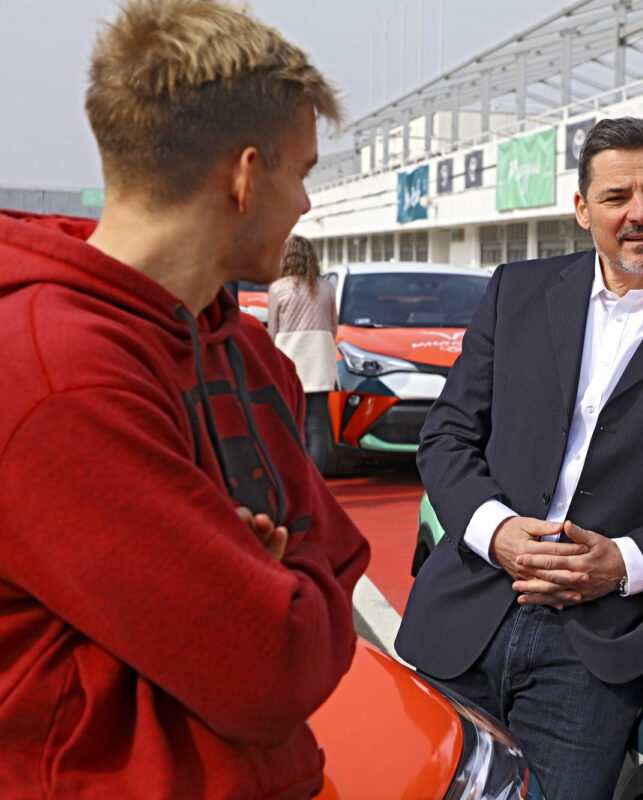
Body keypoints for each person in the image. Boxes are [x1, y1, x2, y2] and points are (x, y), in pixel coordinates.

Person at [0, 2, 370, 798]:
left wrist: (265, 582)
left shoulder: (248, 350)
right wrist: (269, 583)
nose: (306, 203)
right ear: (245, 176)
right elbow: (269, 668)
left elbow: (342, 562)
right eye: (303, 171)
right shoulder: (55, 374)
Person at [396, 117, 643, 799]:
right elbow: (448, 433)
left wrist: (623, 565)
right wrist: (497, 532)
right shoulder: (516, 292)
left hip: (596, 650)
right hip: (468, 614)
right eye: (616, 196)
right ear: (582, 209)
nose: (640, 213)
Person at [269, 234, 339, 464]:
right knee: (317, 426)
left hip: (288, 360)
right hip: (319, 362)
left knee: (289, 423)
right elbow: (333, 327)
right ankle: (316, 476)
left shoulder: (278, 288)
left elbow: (273, 331)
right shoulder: (326, 288)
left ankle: (291, 471)